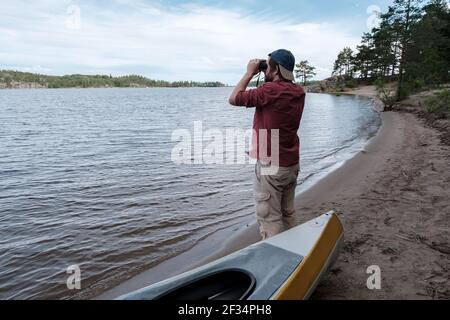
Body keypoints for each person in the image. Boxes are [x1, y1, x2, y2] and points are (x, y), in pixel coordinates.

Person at [228, 49, 306, 239]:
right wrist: (267, 73)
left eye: (268, 66)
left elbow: (234, 98)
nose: (265, 69)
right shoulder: (298, 91)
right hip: (291, 164)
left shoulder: (270, 91)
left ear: (276, 69)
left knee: (270, 219)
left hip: (271, 167)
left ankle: (279, 262)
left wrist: (249, 73)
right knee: (288, 213)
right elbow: (274, 91)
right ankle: (297, 250)